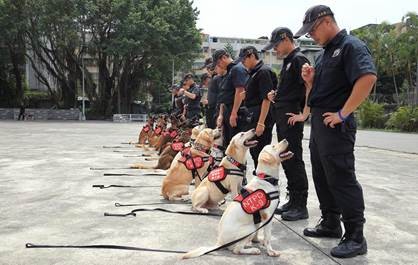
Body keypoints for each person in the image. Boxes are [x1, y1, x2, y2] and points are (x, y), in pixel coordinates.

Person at [295, 5, 377, 258]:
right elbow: (318, 92)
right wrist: (310, 81)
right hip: (320, 122)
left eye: (312, 30)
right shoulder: (324, 53)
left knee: (341, 177)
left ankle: (355, 236)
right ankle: (331, 222)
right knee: (322, 175)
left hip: (336, 124)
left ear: (326, 22)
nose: (311, 36)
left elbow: (367, 77)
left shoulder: (351, 46)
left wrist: (343, 113)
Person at [263, 27, 311, 221]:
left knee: (294, 159)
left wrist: (304, 114)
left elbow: (310, 86)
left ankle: (301, 205)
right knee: (286, 159)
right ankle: (292, 200)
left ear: (285, 39)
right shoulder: (289, 61)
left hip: (292, 116)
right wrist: (275, 95)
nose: (275, 50)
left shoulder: (299, 59)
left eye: (276, 45)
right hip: (282, 115)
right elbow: (291, 89)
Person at [240, 46, 276, 171]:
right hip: (253, 115)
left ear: (251, 56)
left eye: (244, 59)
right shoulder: (253, 73)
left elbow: (266, 99)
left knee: (261, 152)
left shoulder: (263, 72)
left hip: (261, 116)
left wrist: (261, 123)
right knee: (255, 153)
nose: (242, 63)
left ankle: (264, 183)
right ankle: (259, 181)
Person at [212, 49, 249, 143]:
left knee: (234, 143)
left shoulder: (237, 69)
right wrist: (221, 115)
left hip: (235, 111)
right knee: (227, 142)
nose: (218, 66)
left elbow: (239, 91)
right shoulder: (229, 71)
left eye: (218, 63)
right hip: (227, 110)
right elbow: (224, 96)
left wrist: (234, 113)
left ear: (224, 57)